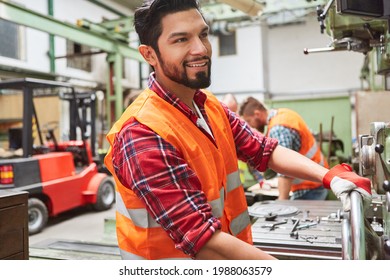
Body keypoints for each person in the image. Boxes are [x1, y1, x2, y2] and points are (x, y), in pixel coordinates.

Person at [104, 0, 371, 260]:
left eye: (204, 34)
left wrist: (330, 177)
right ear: (149, 54)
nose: (201, 49)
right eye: (181, 39)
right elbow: (201, 241)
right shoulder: (142, 133)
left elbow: (265, 151)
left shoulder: (209, 106)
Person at [239, 97, 329, 200]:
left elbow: (284, 170)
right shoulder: (283, 114)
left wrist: (282, 201)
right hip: (316, 182)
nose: (250, 126)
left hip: (309, 188)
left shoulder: (278, 128)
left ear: (257, 114)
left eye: (249, 121)